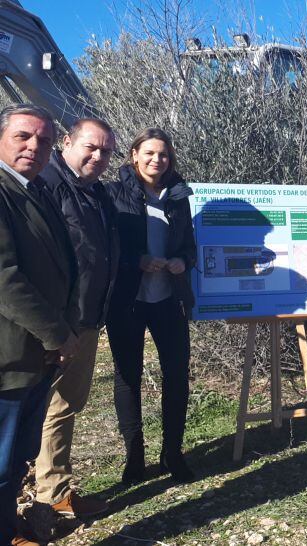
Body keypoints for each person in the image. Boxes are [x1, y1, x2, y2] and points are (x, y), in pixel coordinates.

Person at [0, 104, 79, 545]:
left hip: (34, 355)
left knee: (16, 459)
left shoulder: (32, 189)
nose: (34, 146)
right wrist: (59, 333)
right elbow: (5, 279)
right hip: (9, 354)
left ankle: (10, 529)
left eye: (44, 140)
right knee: (1, 460)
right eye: (23, 136)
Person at [34, 119, 118, 519]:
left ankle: (53, 490)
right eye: (90, 147)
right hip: (50, 323)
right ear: (66, 142)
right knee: (43, 407)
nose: (98, 157)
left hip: (85, 319)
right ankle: (46, 496)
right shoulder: (44, 186)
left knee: (65, 405)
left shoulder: (96, 193)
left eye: (105, 152)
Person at [107, 128, 196, 484]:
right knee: (128, 377)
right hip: (128, 300)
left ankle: (172, 454)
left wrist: (181, 263)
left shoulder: (177, 197)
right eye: (150, 153)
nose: (157, 160)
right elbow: (108, 246)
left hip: (168, 299)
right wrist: (136, 260)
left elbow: (189, 246)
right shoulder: (113, 193)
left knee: (176, 376)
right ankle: (135, 458)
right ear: (133, 155)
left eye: (163, 154)